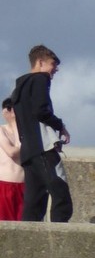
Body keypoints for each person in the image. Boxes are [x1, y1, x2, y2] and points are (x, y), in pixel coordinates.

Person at [9, 45, 73, 223]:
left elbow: (11, 107)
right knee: (61, 195)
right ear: (40, 62)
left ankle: (28, 243)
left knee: (34, 203)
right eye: (53, 64)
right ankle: (60, 238)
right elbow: (41, 111)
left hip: (28, 152)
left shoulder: (19, 88)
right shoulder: (40, 79)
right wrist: (60, 125)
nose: (55, 69)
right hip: (43, 147)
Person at [0, 97, 25, 222]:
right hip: (4, 185)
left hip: (23, 185)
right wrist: (14, 122)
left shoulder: (26, 132)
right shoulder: (1, 130)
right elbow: (11, 152)